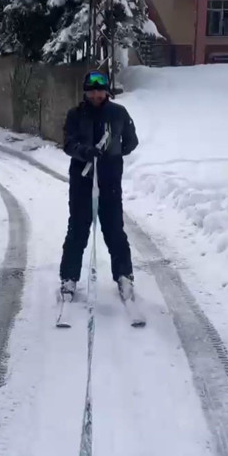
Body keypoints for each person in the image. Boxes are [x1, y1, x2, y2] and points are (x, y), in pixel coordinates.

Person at [60, 70, 138, 300]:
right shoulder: (75, 114)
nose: (95, 94)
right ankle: (69, 277)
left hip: (110, 179)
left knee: (114, 229)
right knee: (78, 228)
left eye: (100, 90)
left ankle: (124, 275)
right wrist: (85, 152)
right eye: (91, 90)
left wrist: (114, 154)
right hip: (82, 180)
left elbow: (131, 140)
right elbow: (68, 143)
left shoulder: (119, 113)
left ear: (107, 91)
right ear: (86, 92)